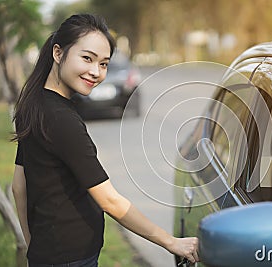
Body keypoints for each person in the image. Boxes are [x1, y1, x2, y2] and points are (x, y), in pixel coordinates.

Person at [11, 13, 199, 266]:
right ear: (58, 53)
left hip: (50, 252)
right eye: (87, 58)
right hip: (71, 258)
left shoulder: (35, 104)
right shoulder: (61, 120)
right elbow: (110, 200)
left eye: (104, 64)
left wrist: (32, 245)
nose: (95, 72)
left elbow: (18, 186)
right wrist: (170, 241)